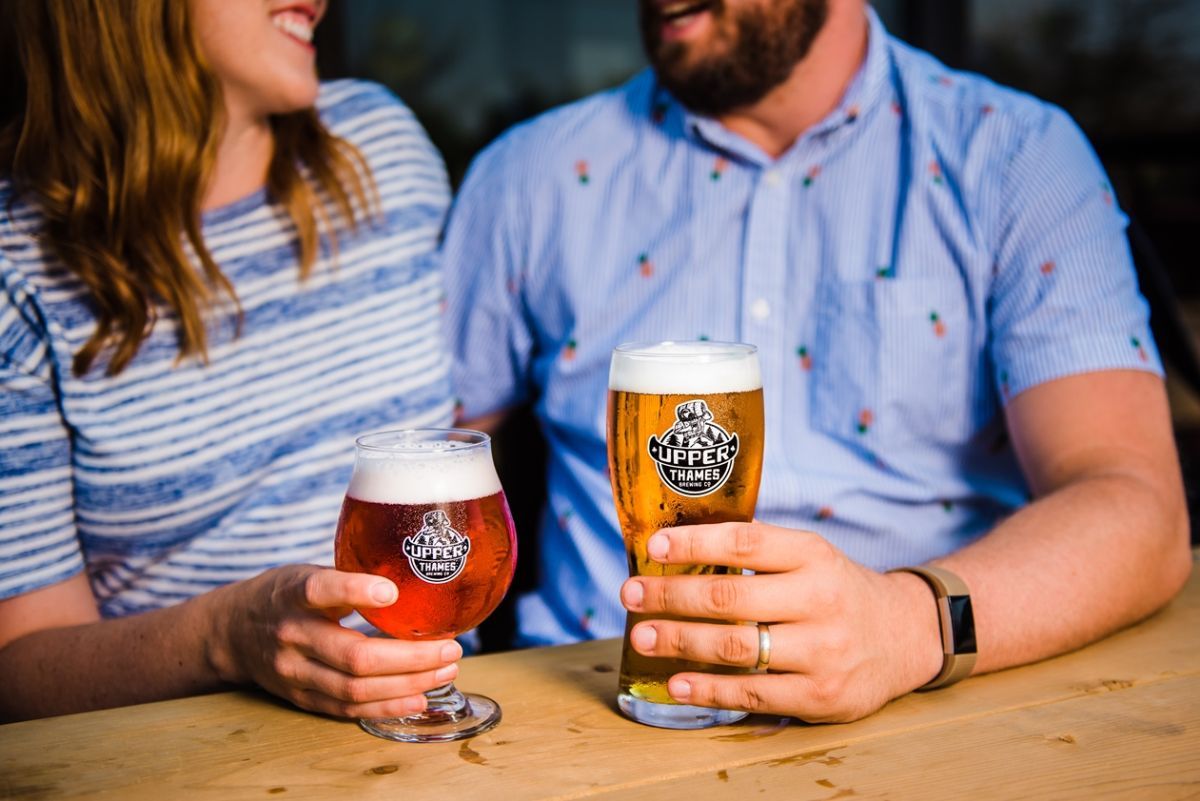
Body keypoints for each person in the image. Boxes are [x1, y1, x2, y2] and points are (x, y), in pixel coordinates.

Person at [443, 0, 1192, 722]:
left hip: (931, 714)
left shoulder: (1013, 154)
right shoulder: (531, 175)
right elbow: (415, 460)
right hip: (595, 705)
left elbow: (1136, 506)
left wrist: (905, 629)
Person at [0, 0, 462, 722]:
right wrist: (225, 639)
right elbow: (18, 669)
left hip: (453, 728)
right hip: (196, 761)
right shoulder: (17, 268)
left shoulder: (383, 147)